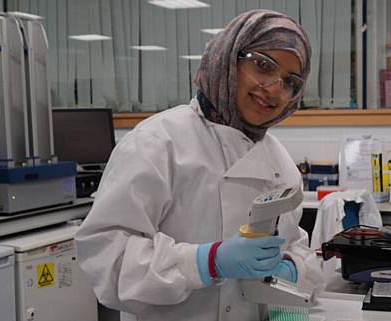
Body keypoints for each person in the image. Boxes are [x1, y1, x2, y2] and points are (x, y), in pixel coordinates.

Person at [75, 9, 324, 321]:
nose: (274, 89)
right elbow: (108, 259)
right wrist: (206, 262)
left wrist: (292, 268)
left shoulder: (281, 163)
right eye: (262, 65)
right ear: (228, 58)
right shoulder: (157, 143)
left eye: (289, 81)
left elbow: (298, 246)